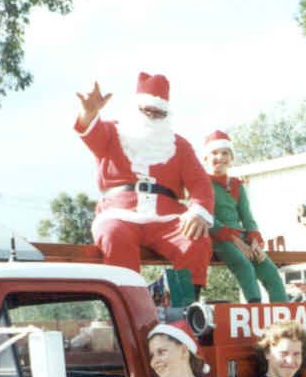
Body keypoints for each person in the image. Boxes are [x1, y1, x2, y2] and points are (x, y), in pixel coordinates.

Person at [75, 73, 214, 296]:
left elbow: (200, 184)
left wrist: (198, 211)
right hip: (119, 213)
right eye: (146, 110)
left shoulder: (179, 145)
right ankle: (132, 308)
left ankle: (183, 308)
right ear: (135, 108)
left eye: (158, 113)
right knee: (113, 235)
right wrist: (89, 113)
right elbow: (89, 131)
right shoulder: (112, 132)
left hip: (167, 219)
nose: (152, 116)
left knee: (196, 239)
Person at [202, 130, 287, 303]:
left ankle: (284, 317)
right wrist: (238, 243)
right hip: (217, 237)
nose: (220, 157)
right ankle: (254, 310)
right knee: (244, 266)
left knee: (269, 270)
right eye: (215, 153)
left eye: (225, 153)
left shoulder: (236, 185)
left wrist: (254, 241)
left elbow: (247, 217)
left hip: (242, 237)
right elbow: (208, 218)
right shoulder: (202, 183)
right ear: (205, 158)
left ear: (231, 158)